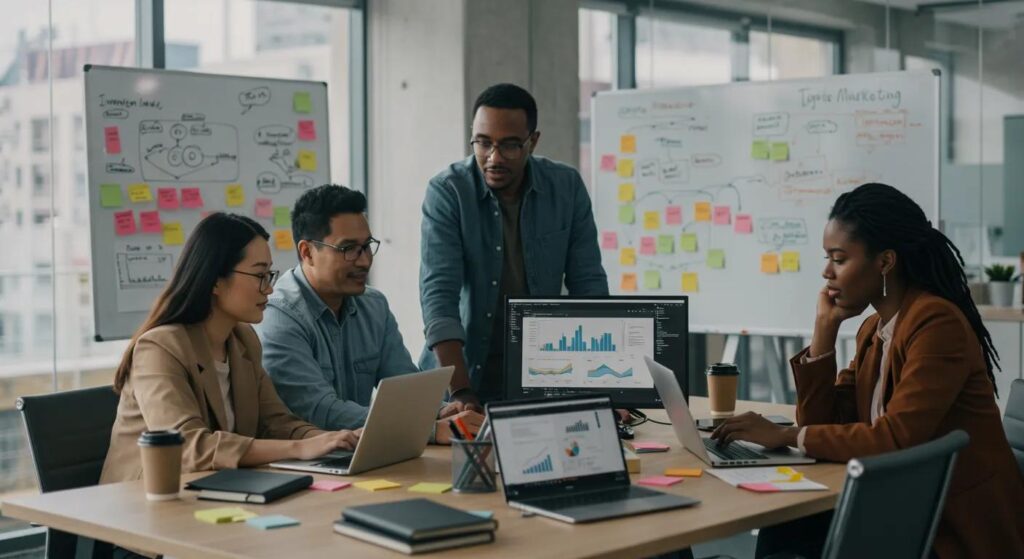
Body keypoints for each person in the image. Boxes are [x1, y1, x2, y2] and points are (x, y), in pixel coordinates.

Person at [711, 183, 1024, 558]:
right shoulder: (873, 330)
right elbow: (826, 420)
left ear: (885, 262)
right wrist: (824, 332)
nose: (826, 272)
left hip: (950, 529)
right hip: (900, 507)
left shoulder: (936, 323)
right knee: (787, 529)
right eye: (827, 258)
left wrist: (785, 435)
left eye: (839, 259)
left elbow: (895, 437)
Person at [101, 213, 360, 484]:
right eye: (260, 275)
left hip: (213, 490)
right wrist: (299, 448)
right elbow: (187, 446)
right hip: (143, 500)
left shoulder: (243, 341)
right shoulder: (159, 348)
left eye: (269, 275)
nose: (269, 289)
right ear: (215, 280)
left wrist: (337, 440)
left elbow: (275, 423)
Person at [419, 83, 608, 408]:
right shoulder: (448, 191)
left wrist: (600, 385)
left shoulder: (566, 187)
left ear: (532, 141)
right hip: (462, 377)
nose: (493, 158)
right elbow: (439, 295)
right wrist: (461, 392)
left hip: (545, 377)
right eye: (483, 143)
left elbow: (588, 287)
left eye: (509, 146)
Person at [256, 184, 482, 443]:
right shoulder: (278, 316)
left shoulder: (373, 305)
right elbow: (320, 411)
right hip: (305, 464)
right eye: (349, 249)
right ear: (307, 252)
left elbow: (405, 387)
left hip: (361, 454)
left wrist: (443, 411)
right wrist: (429, 428)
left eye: (367, 246)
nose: (364, 261)